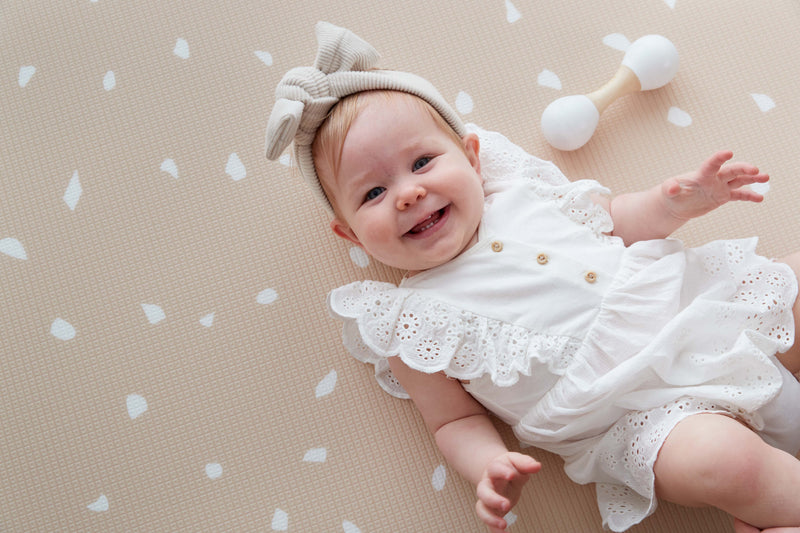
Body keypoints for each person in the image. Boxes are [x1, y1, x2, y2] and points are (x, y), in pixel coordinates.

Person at [265, 22, 800, 533]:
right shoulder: (410, 324)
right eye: (373, 194)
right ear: (353, 236)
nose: (407, 193)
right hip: (640, 416)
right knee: (727, 464)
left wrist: (676, 202)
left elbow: (617, 222)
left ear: (473, 159)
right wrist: (488, 466)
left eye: (423, 162)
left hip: (704, 309)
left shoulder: (526, 193)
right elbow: (451, 423)